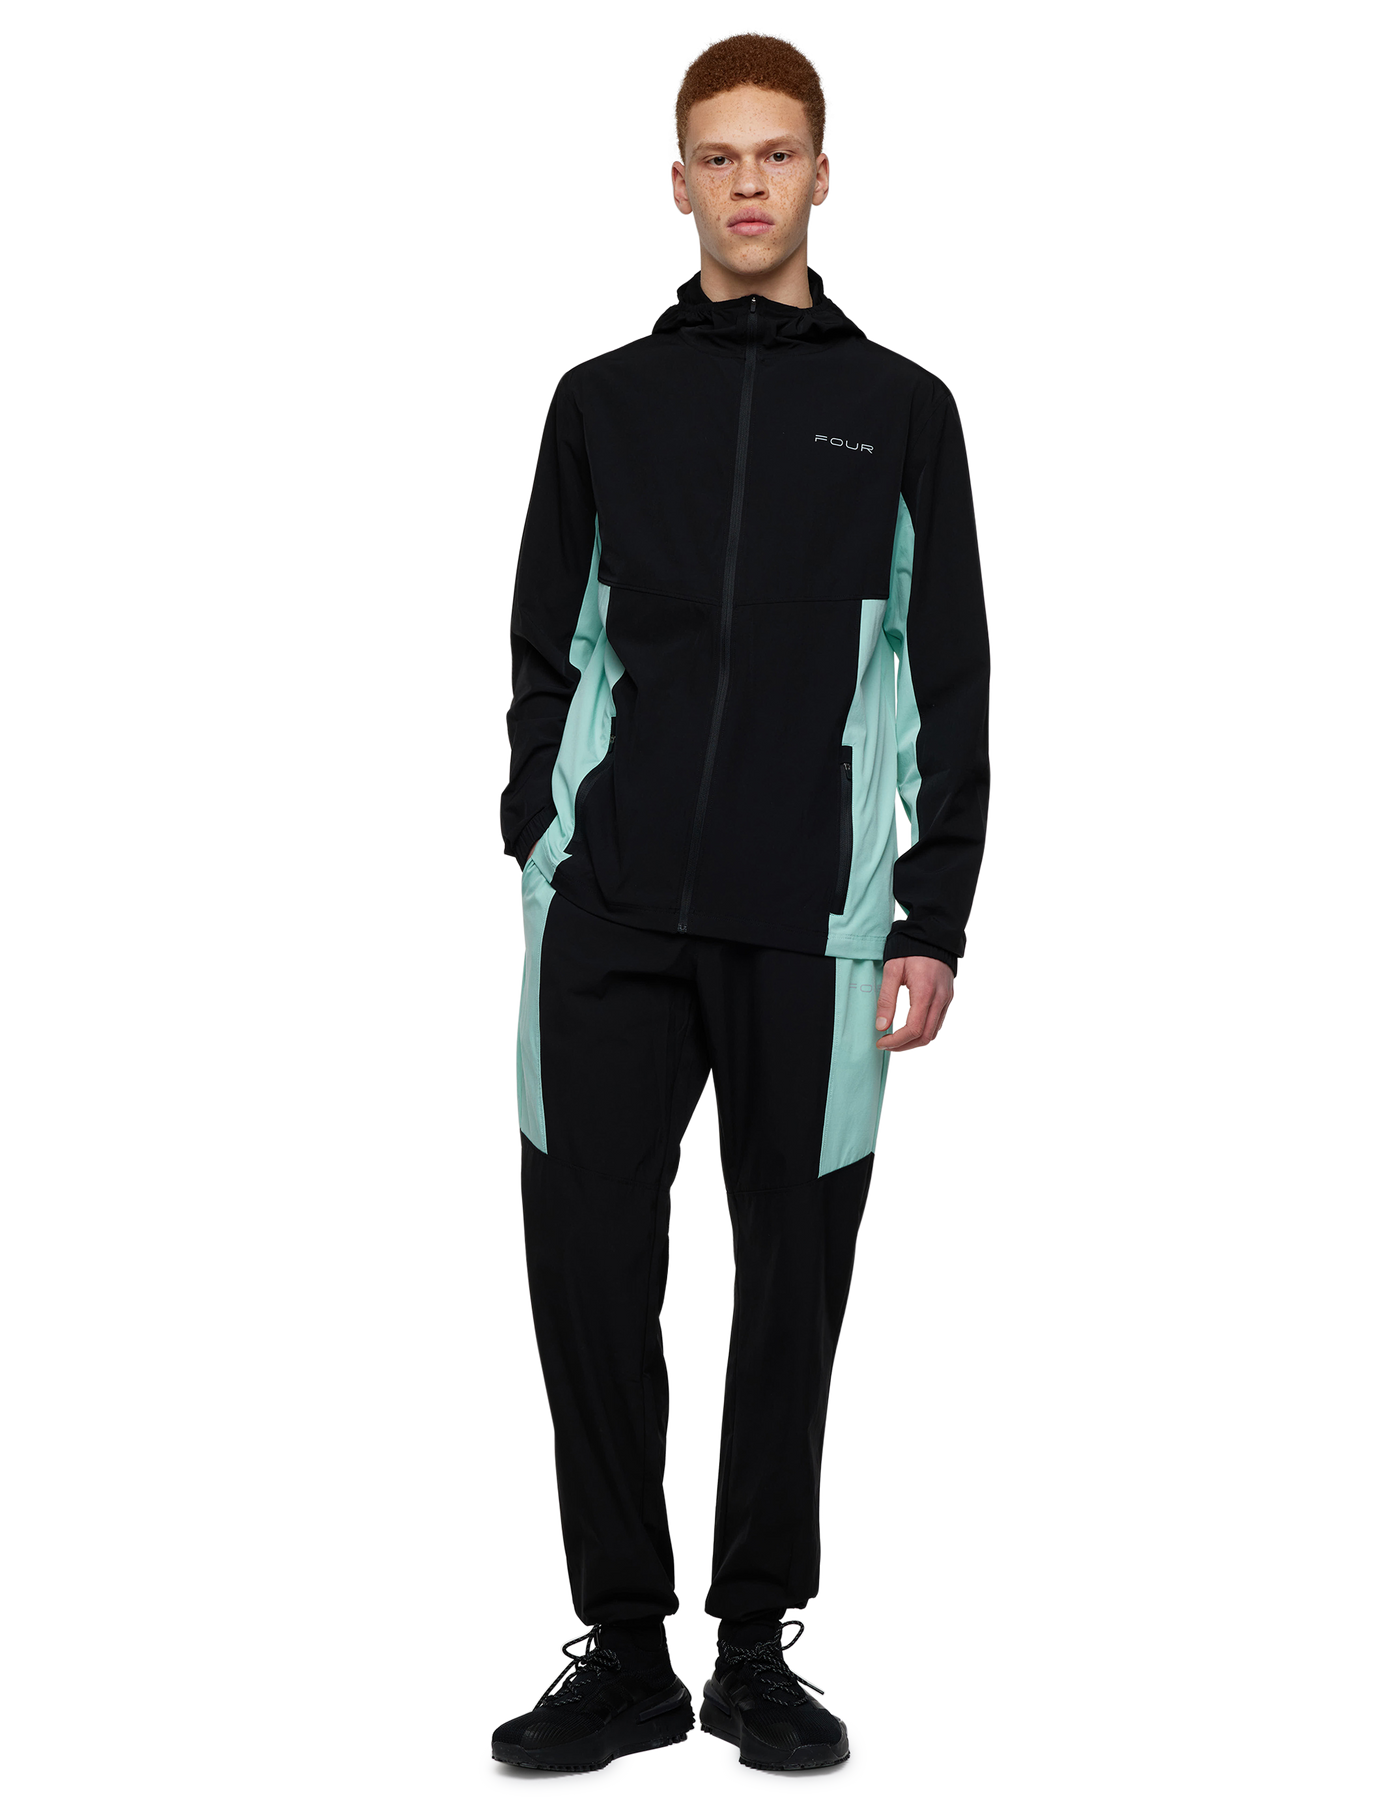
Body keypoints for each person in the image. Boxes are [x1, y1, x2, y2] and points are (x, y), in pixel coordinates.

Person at [489, 25, 991, 1778]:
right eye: (722, 155)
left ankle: (761, 1648)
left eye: (780, 152)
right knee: (585, 1273)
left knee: (793, 1291)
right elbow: (547, 648)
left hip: (818, 926)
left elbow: (950, 678)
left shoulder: (905, 409)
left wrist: (931, 912)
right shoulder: (600, 403)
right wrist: (542, 850)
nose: (751, 181)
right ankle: (625, 1652)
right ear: (681, 181)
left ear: (824, 177)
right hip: (611, 918)